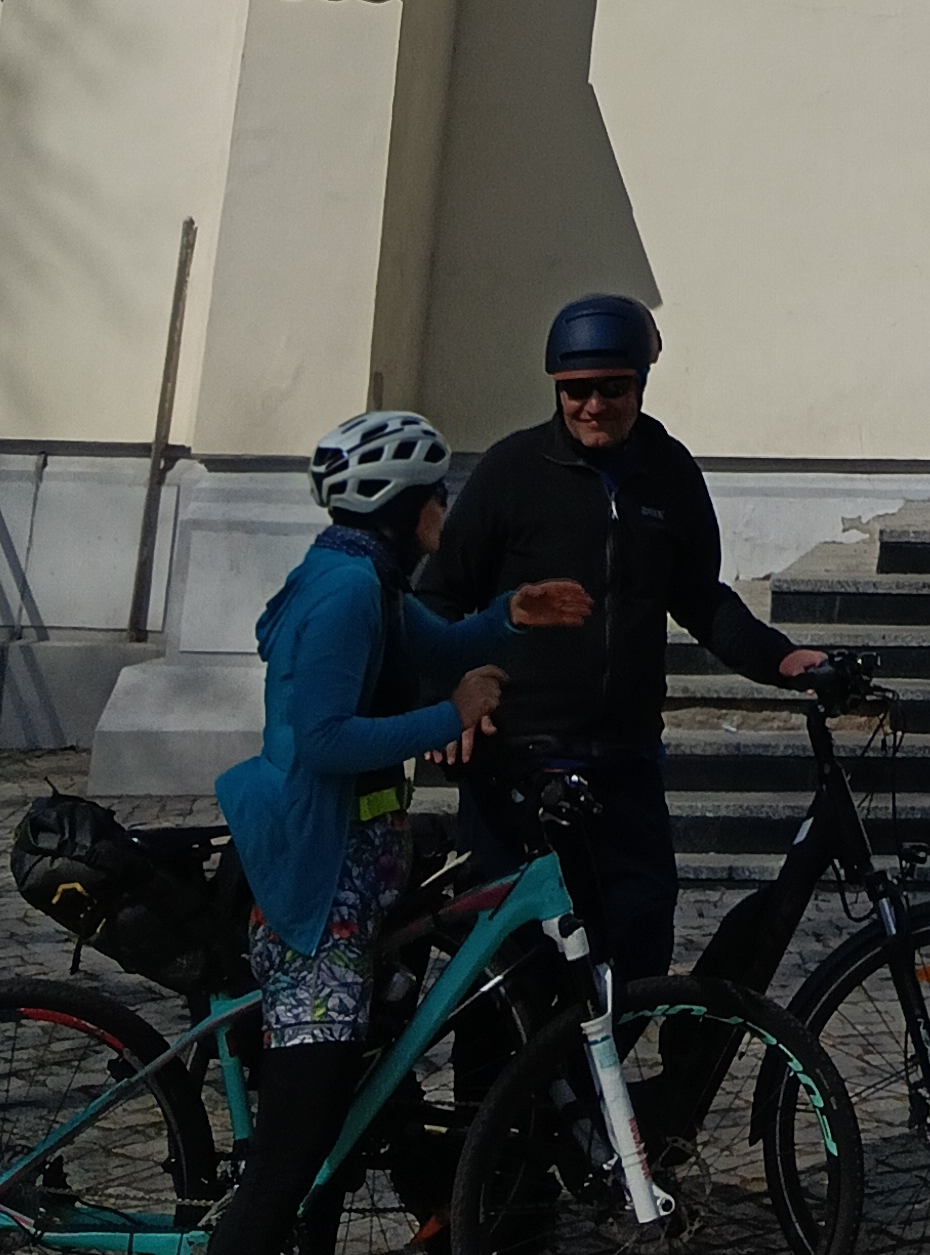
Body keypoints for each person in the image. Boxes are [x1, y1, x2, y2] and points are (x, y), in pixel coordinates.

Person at [208, 408, 590, 1255]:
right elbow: (323, 739)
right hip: (318, 899)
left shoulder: (368, 579)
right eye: (436, 494)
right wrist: (450, 716)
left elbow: (438, 646)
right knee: (288, 1162)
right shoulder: (347, 592)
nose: (444, 509)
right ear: (405, 505)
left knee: (334, 1134)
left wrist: (510, 615)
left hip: (355, 880)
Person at [430, 295, 828, 985]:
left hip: (626, 766)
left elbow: (700, 596)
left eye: (611, 389)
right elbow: (437, 596)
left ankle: (605, 1064)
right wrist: (446, 694)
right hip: (518, 768)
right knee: (514, 975)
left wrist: (780, 658)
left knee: (638, 949)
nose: (593, 406)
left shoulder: (668, 473)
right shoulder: (512, 471)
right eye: (576, 391)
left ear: (640, 385)